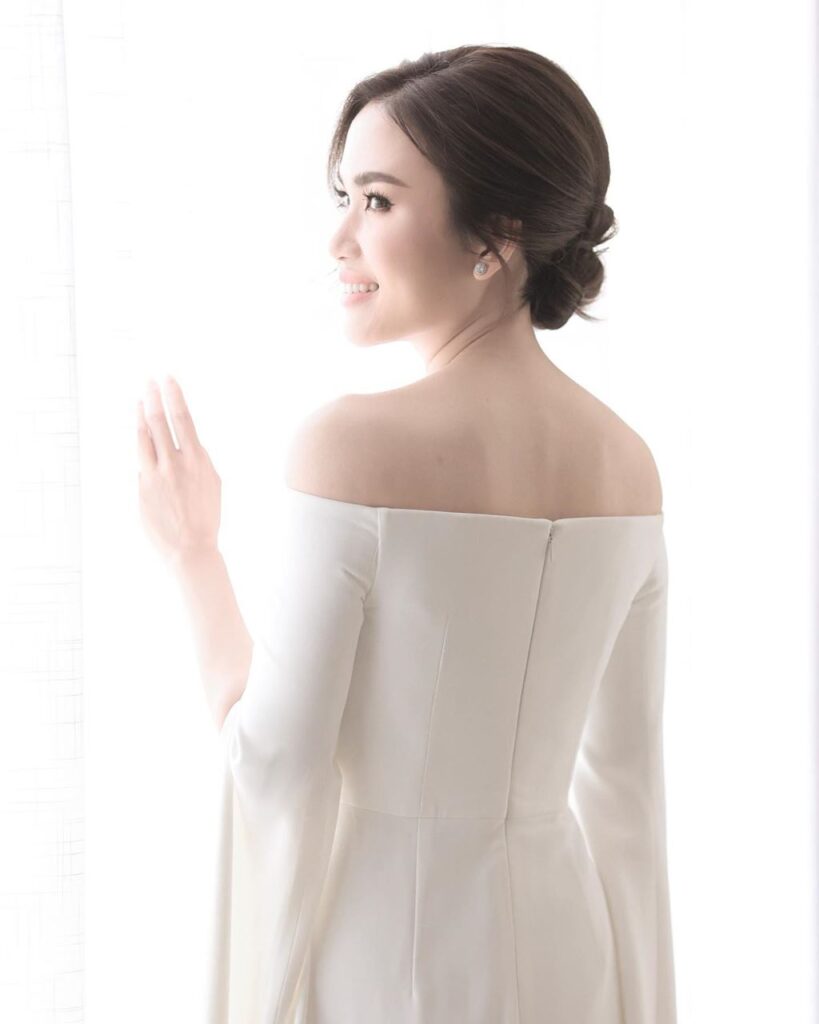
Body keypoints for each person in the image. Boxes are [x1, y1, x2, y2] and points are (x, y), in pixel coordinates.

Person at [137, 44, 676, 1024]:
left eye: (378, 201)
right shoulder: (628, 463)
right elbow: (627, 791)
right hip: (571, 955)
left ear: (497, 234)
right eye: (344, 197)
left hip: (388, 961)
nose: (340, 237)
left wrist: (192, 554)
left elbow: (273, 758)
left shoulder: (351, 446)